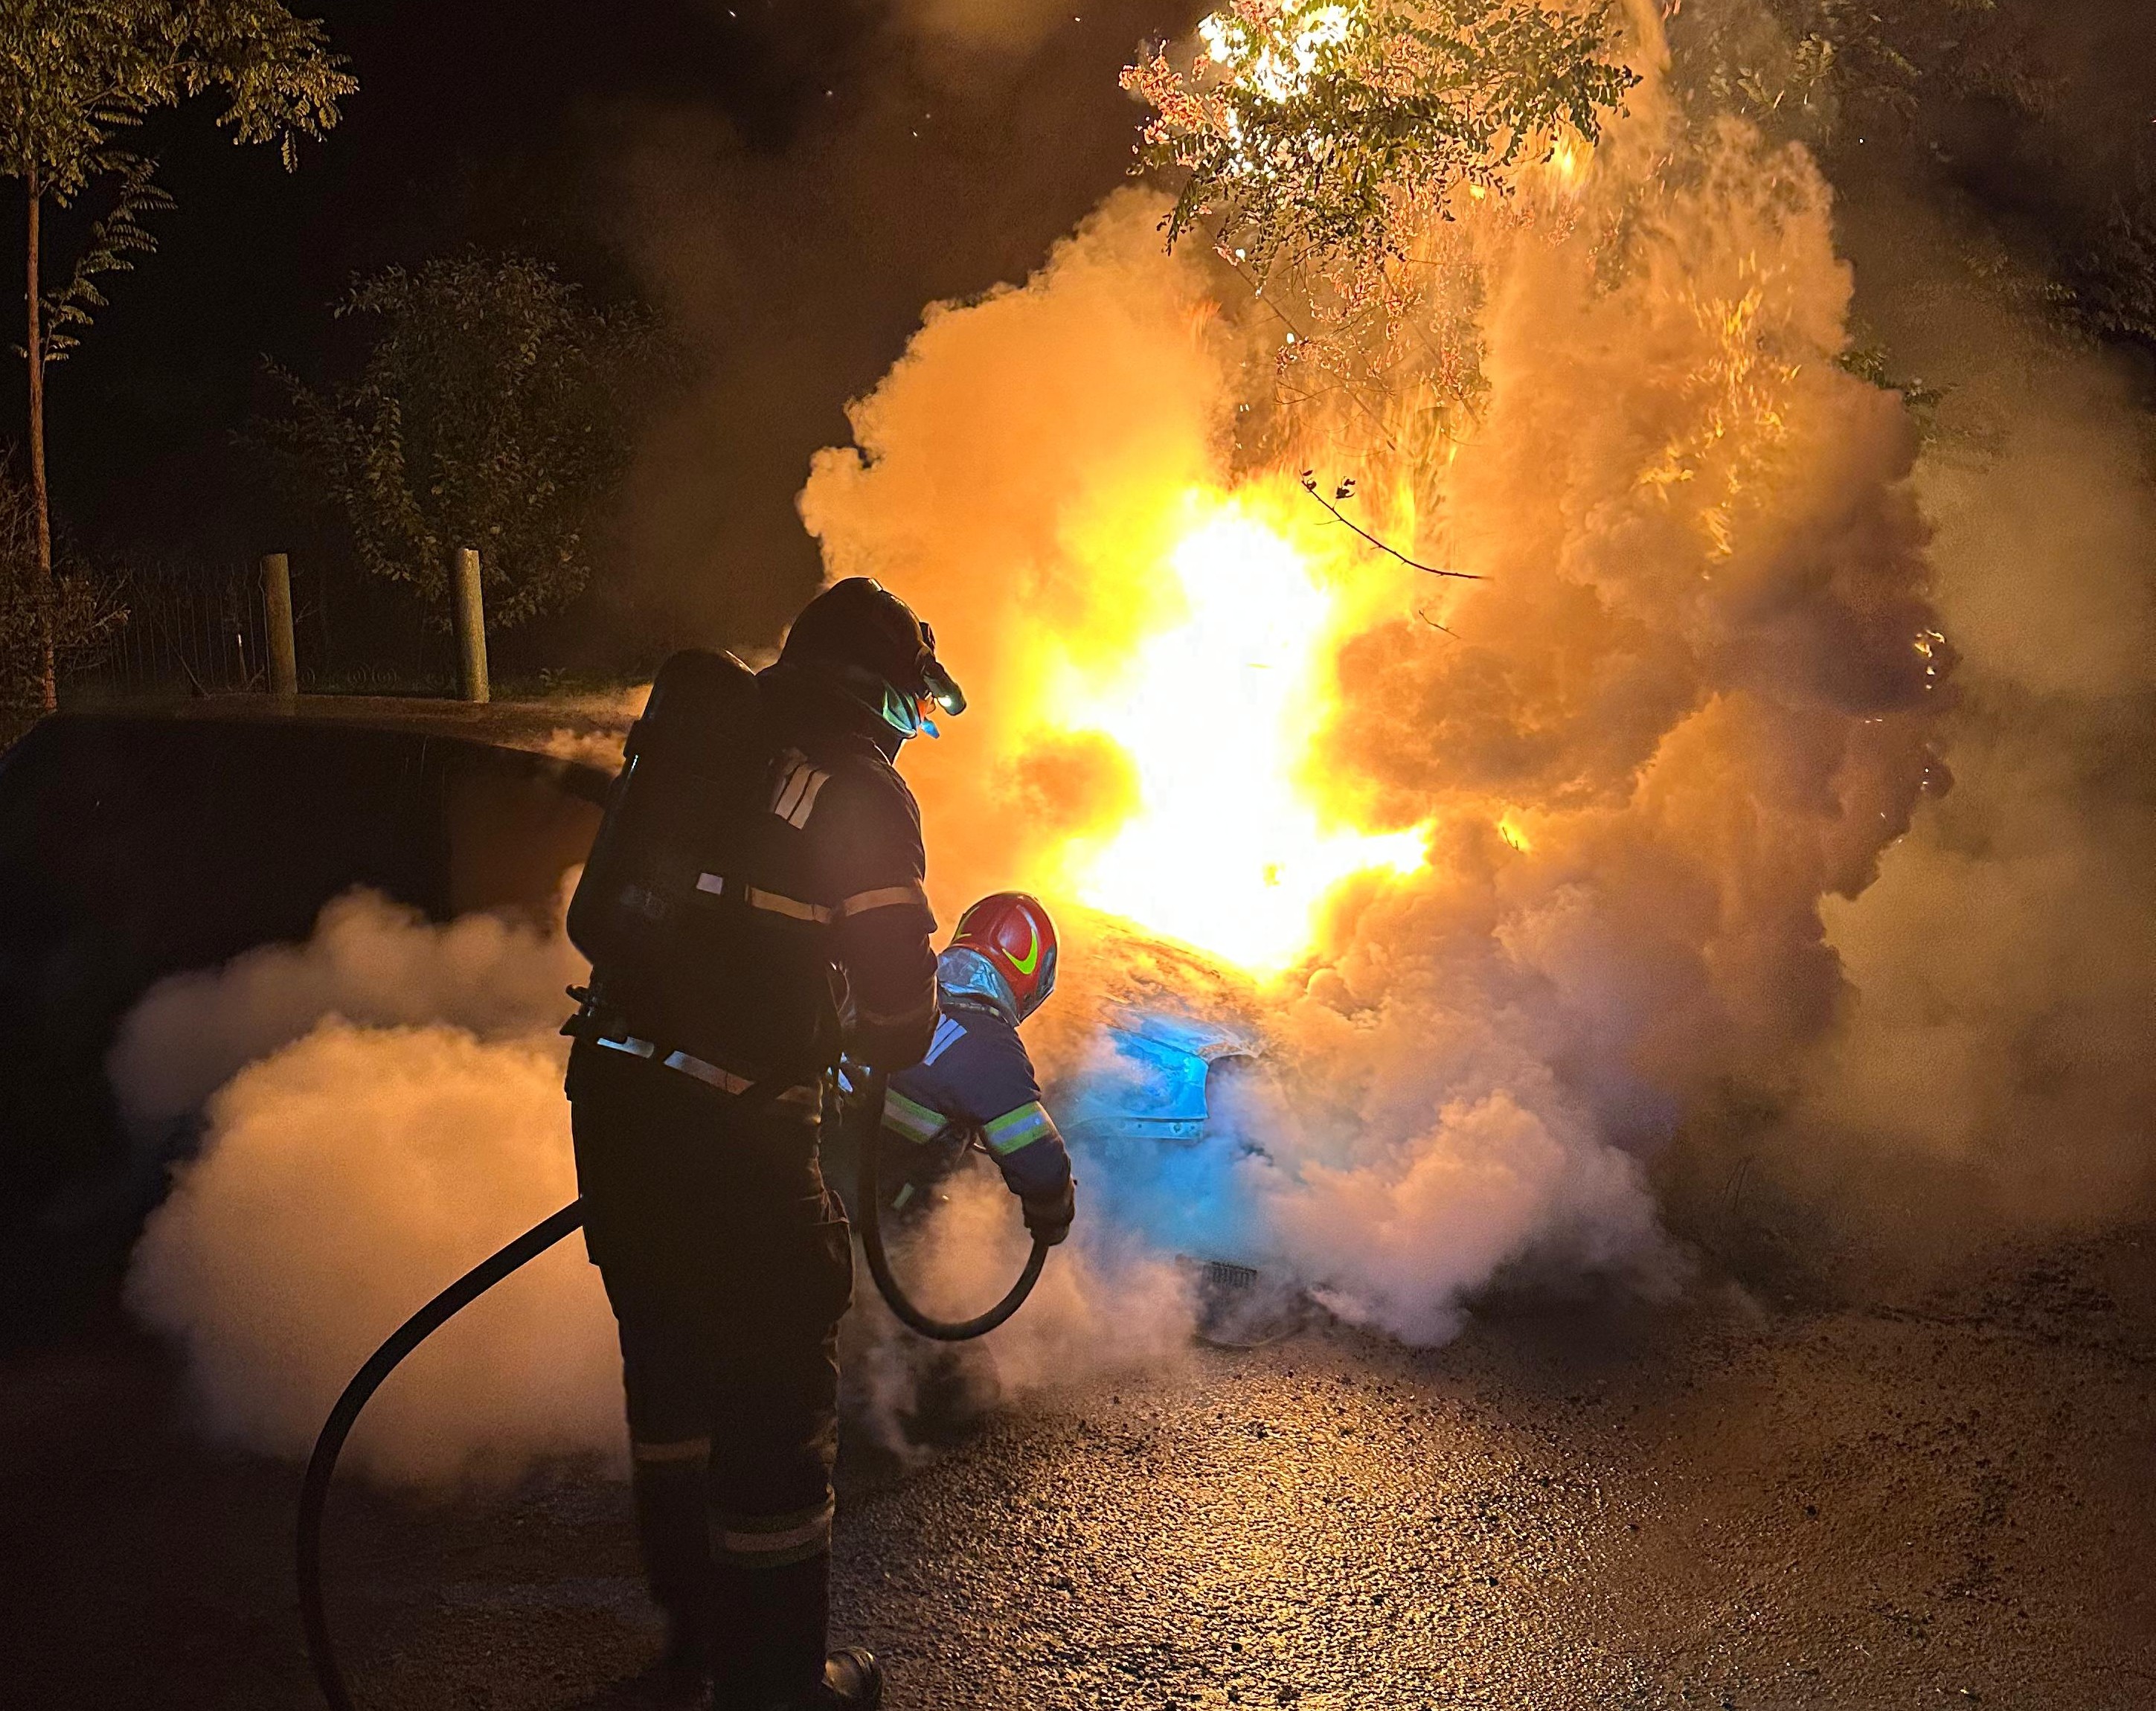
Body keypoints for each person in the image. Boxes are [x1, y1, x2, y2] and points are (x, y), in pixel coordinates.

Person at [565, 578, 960, 1711]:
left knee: (669, 1386)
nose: (909, 731)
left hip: (615, 1109)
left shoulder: (705, 747)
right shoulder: (860, 790)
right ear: (877, 693)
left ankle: (693, 1645)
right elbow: (900, 1014)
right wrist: (870, 1017)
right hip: (739, 1140)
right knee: (774, 1412)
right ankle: (780, 1688)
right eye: (910, 707)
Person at [876, 893, 1077, 1248]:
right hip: (871, 1220)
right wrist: (1054, 1215)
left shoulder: (903, 990)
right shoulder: (987, 1047)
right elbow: (1043, 1169)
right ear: (1032, 977)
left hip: (820, 1169)